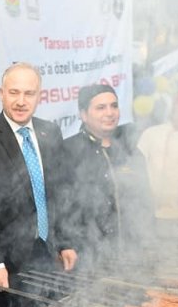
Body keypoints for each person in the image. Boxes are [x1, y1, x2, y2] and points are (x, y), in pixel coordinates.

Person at [0, 63, 76, 307]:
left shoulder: (50, 132)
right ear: (1, 93)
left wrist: (64, 243)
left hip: (47, 258)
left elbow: (58, 193)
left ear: (40, 97)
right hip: (5, 266)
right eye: (14, 92)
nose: (21, 101)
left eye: (29, 93)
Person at [62, 84, 155, 270]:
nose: (110, 113)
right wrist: (65, 245)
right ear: (84, 115)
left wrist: (149, 240)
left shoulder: (131, 151)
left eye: (114, 106)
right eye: (101, 107)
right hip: (87, 256)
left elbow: (146, 202)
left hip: (131, 254)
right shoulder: (68, 151)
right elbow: (58, 206)